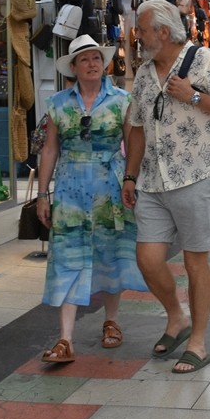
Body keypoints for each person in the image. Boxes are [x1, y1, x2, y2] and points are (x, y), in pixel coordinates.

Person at [121, 0, 210, 374]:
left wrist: (192, 95)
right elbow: (139, 127)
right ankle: (176, 316)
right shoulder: (144, 73)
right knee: (148, 259)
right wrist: (130, 175)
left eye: (141, 30)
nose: (137, 36)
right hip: (153, 181)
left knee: (195, 263)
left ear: (162, 31)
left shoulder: (206, 61)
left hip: (196, 175)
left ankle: (198, 342)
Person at [35, 35, 147, 363]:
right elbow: (50, 148)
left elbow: (132, 144)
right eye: (84, 59)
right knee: (68, 254)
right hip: (69, 188)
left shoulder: (122, 100)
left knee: (110, 251)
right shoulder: (58, 102)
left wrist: (131, 180)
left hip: (109, 187)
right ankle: (65, 339)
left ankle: (111, 321)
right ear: (73, 68)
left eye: (97, 58)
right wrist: (44, 194)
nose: (92, 64)